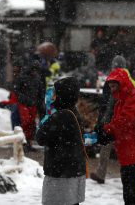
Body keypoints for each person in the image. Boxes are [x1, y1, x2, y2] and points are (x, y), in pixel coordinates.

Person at [98, 68, 135, 205]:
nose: (112, 90)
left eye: (114, 86)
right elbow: (119, 125)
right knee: (129, 196)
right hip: (128, 158)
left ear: (122, 83)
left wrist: (106, 130)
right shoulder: (120, 102)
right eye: (110, 87)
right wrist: (108, 133)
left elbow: (125, 122)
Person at [36, 77, 87, 205]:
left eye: (55, 93)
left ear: (61, 95)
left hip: (60, 175)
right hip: (73, 171)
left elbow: (40, 137)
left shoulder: (60, 116)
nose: (53, 96)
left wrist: (47, 114)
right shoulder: (73, 112)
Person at [91, 55, 135, 184]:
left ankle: (101, 173)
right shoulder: (132, 81)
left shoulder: (114, 80)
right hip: (127, 118)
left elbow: (109, 102)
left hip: (114, 119)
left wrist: (104, 119)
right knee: (129, 148)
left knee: (106, 145)